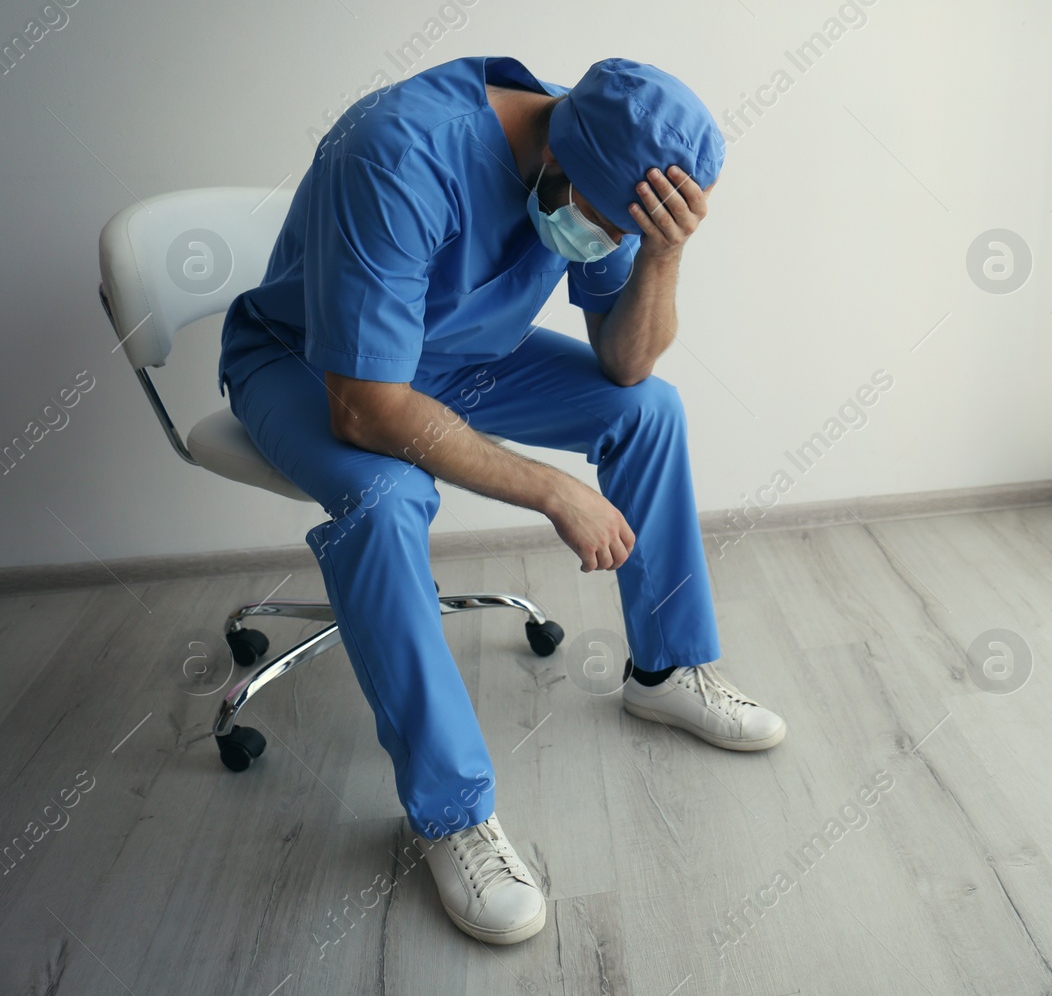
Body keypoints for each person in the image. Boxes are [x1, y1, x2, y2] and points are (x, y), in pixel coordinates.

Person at [216, 56, 786, 946]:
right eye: (604, 221)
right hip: (309, 361)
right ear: (559, 151)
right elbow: (365, 405)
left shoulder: (603, 171)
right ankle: (450, 815)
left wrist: (663, 252)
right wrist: (553, 488)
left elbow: (627, 364)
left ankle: (667, 669)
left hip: (456, 358)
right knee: (384, 492)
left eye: (626, 228)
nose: (602, 238)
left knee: (650, 410)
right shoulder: (399, 156)